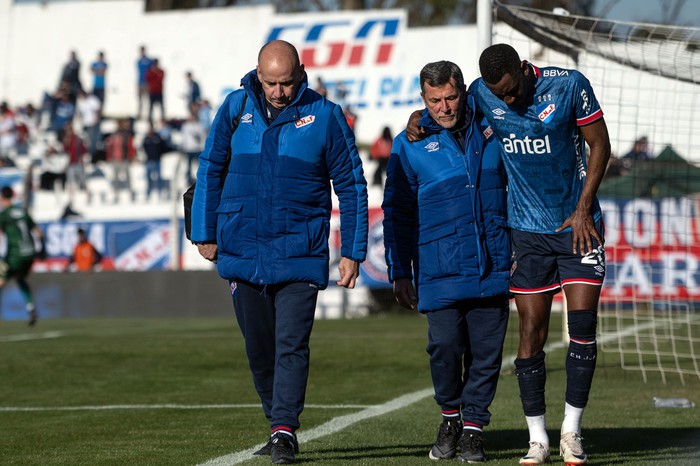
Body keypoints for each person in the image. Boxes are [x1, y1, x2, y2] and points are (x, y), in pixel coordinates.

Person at [407, 43, 610, 465]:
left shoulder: (568, 85)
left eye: (512, 91)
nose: (507, 100)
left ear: (523, 69)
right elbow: (447, 110)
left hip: (578, 227)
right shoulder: (483, 92)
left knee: (583, 327)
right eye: (499, 96)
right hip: (526, 234)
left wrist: (583, 206)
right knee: (530, 333)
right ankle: (537, 439)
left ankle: (572, 431)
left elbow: (600, 146)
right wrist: (418, 119)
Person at [190, 40, 368, 465]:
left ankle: (284, 430)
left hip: (299, 251)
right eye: (270, 82)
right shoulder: (235, 109)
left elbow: (352, 184)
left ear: (300, 73)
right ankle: (277, 426)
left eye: (286, 83)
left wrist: (353, 250)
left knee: (291, 344)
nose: (278, 91)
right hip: (242, 250)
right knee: (259, 350)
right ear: (257, 72)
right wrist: (203, 231)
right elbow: (210, 168)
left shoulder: (325, 116)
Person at [383, 60, 510, 463]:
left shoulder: (494, 124)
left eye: (451, 97)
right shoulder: (410, 142)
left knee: (487, 354)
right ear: (423, 99)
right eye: (434, 100)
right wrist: (399, 270)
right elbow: (396, 212)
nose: (444, 107)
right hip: (438, 267)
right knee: (444, 346)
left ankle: (473, 428)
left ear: (464, 93)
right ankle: (450, 415)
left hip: (493, 261)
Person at [0, 186, 43, 326]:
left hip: (15, 254)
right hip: (29, 254)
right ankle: (31, 308)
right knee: (20, 279)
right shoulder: (23, 212)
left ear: (2, 197)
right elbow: (39, 233)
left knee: (1, 281)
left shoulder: (4, 215)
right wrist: (43, 252)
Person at [105, 118, 136, 202]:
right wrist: (109, 157)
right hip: (115, 160)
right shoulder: (113, 135)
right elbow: (110, 147)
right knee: (115, 179)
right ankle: (116, 195)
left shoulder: (126, 135)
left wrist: (131, 156)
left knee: (128, 178)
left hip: (124, 159)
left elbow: (131, 146)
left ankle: (131, 194)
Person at [142, 123, 169, 200]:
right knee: (148, 178)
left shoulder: (158, 138)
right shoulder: (146, 139)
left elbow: (163, 147)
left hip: (157, 160)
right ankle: (148, 193)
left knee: (158, 177)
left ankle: (160, 192)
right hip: (149, 160)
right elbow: (143, 148)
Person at [179, 111, 206, 185]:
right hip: (188, 149)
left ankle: (201, 179)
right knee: (188, 166)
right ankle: (188, 180)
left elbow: (203, 137)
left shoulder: (199, 126)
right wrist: (182, 146)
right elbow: (183, 138)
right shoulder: (185, 126)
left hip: (197, 149)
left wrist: (202, 147)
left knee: (199, 166)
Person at [146, 58, 165, 125]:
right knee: (151, 107)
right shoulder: (150, 72)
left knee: (162, 106)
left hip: (159, 92)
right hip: (152, 92)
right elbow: (149, 80)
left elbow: (160, 79)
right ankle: (150, 119)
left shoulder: (161, 71)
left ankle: (163, 118)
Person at [136, 45, 153, 118]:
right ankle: (140, 113)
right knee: (140, 99)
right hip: (140, 82)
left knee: (147, 98)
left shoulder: (149, 61)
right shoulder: (139, 61)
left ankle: (148, 113)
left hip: (147, 82)